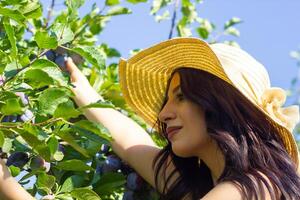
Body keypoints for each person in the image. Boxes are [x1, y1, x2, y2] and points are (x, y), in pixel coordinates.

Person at [66, 37, 300, 200]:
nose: (163, 114)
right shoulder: (207, 187)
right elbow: (129, 142)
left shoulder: (257, 187)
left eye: (180, 97)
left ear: (220, 103)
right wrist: (78, 87)